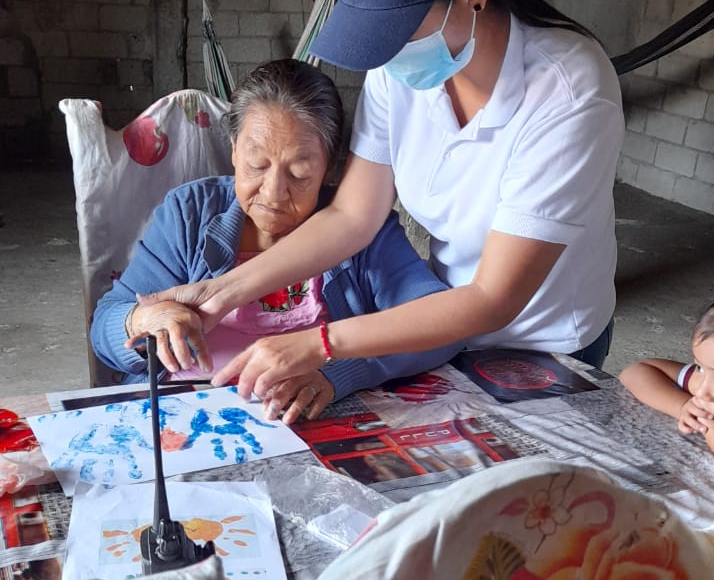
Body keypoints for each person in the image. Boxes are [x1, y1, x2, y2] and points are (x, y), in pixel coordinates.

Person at [141, 0, 624, 402]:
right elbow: (353, 216)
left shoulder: (569, 90)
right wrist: (222, 291)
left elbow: (493, 298)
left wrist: (320, 344)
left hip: (544, 346)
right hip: (437, 328)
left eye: (399, 30)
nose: (387, 55)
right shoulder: (398, 70)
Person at [90, 58, 459, 424]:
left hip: (307, 423)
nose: (273, 193)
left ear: (330, 166)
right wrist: (143, 319)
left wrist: (338, 372)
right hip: (186, 421)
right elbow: (106, 326)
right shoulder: (190, 214)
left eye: (299, 173)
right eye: (256, 165)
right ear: (234, 149)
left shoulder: (364, 228)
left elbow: (444, 326)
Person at [619, 298, 714, 458]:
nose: (701, 392)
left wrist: (712, 431)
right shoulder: (699, 382)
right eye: (700, 367)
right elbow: (635, 372)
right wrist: (683, 406)